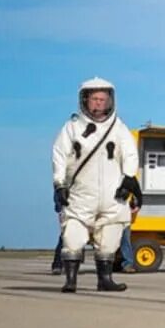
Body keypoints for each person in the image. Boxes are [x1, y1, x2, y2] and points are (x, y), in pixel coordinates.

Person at [50, 78, 140, 294]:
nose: (99, 103)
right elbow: (59, 156)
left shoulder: (119, 128)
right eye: (94, 99)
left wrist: (129, 177)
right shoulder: (72, 128)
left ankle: (105, 279)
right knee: (73, 234)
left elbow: (130, 153)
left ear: (110, 100)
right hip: (81, 193)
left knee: (110, 237)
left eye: (103, 99)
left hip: (113, 194)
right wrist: (59, 184)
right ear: (85, 100)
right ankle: (70, 279)